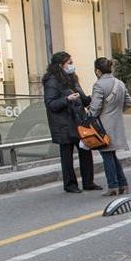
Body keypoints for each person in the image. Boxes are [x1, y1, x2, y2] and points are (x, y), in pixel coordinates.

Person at [43, 51, 99, 194]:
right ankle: (70, 184)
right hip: (63, 123)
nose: (72, 66)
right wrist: (67, 99)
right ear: (60, 65)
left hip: (78, 121)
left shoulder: (72, 79)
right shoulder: (52, 81)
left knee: (85, 151)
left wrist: (92, 97)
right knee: (67, 155)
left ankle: (88, 182)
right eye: (69, 63)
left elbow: (82, 99)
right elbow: (51, 104)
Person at [88, 57, 131, 196]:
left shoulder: (99, 85)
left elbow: (95, 108)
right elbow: (129, 102)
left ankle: (113, 186)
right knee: (111, 155)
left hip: (103, 126)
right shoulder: (120, 83)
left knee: (107, 155)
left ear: (98, 71)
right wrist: (117, 112)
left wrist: (89, 117)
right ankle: (123, 184)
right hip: (117, 123)